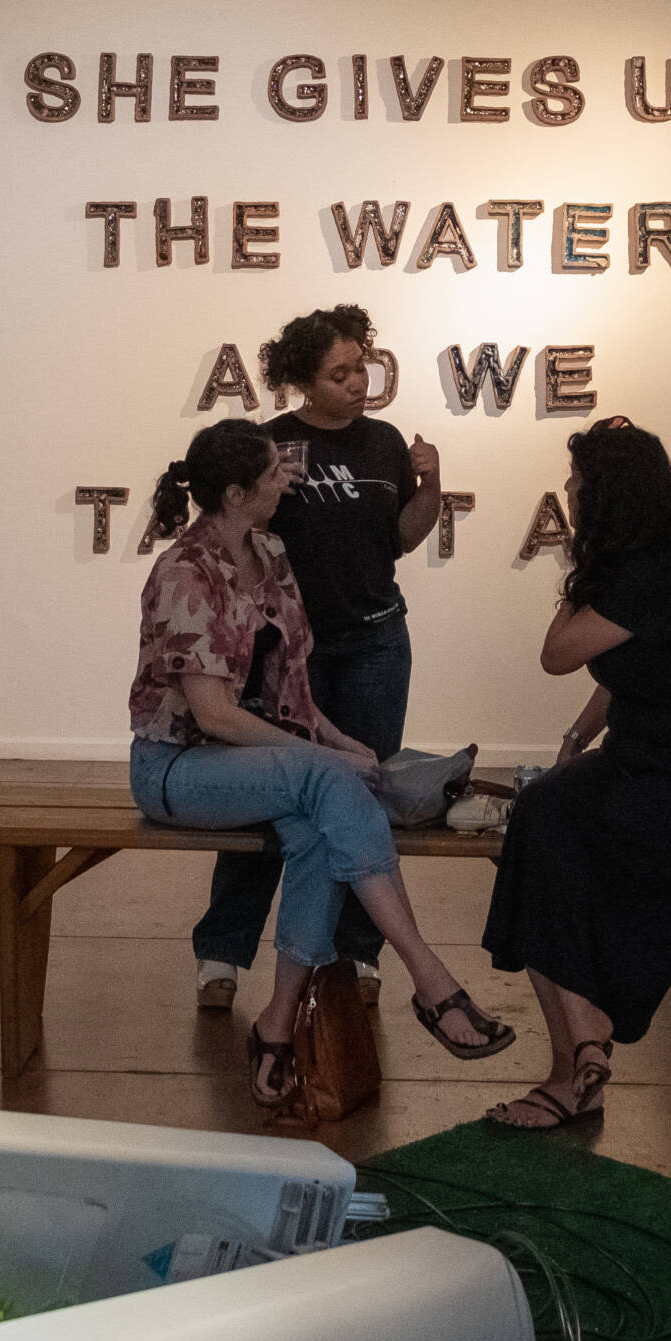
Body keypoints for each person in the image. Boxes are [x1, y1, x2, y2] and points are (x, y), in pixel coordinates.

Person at [128, 418, 510, 1107]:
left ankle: (277, 1025)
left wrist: (335, 739)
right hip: (176, 768)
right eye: (274, 473)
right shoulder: (185, 571)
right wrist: (319, 756)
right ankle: (430, 977)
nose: (289, 480)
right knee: (326, 781)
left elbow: (291, 686)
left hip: (252, 761)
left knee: (316, 832)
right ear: (237, 493)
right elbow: (213, 716)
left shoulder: (270, 551)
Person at [481, 418, 671, 1129]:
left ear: (609, 496)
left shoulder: (646, 577)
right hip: (659, 765)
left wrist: (578, 577)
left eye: (578, 482)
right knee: (540, 821)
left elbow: (557, 654)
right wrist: (578, 737)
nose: (568, 491)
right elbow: (629, 671)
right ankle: (582, 1054)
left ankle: (576, 1060)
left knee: (546, 845)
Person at [188, 306, 442, 1013]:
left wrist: (430, 487)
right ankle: (223, 947)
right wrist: (274, 497)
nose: (359, 382)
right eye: (341, 373)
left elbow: (402, 539)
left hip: (375, 642)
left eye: (363, 367)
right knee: (265, 795)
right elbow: (239, 534)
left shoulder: (384, 442)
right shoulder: (271, 445)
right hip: (282, 650)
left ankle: (357, 950)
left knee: (364, 790)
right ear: (303, 380)